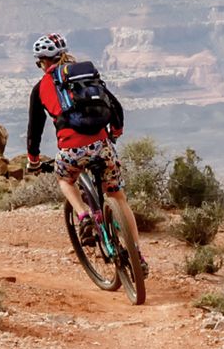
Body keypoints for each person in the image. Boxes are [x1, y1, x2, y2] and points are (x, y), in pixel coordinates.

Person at [21, 32, 141, 274]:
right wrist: (115, 132)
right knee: (118, 197)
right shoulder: (86, 76)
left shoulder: (41, 87)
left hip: (70, 149)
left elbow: (34, 129)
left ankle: (83, 215)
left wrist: (33, 160)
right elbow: (113, 105)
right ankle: (138, 256)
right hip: (102, 144)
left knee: (64, 179)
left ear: (42, 61)